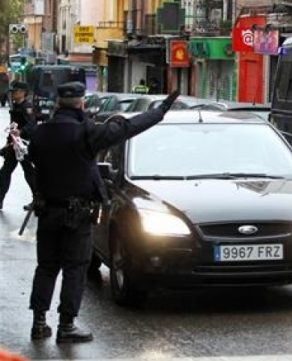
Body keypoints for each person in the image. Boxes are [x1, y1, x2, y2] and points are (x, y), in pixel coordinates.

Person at [28, 82, 179, 343]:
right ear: (82, 103)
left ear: (57, 103)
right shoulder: (86, 133)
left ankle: (39, 323)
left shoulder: (42, 134)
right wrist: (161, 111)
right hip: (77, 214)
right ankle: (67, 325)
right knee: (75, 268)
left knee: (46, 267)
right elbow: (128, 127)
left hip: (47, 212)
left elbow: (34, 160)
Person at [0, 81, 36, 210]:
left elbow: (32, 125)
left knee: (29, 173)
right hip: (13, 145)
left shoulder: (27, 107)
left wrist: (21, 132)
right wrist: (8, 143)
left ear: (22, 92)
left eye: (15, 91)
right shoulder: (16, 105)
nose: (13, 94)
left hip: (23, 146)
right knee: (4, 173)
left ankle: (38, 200)